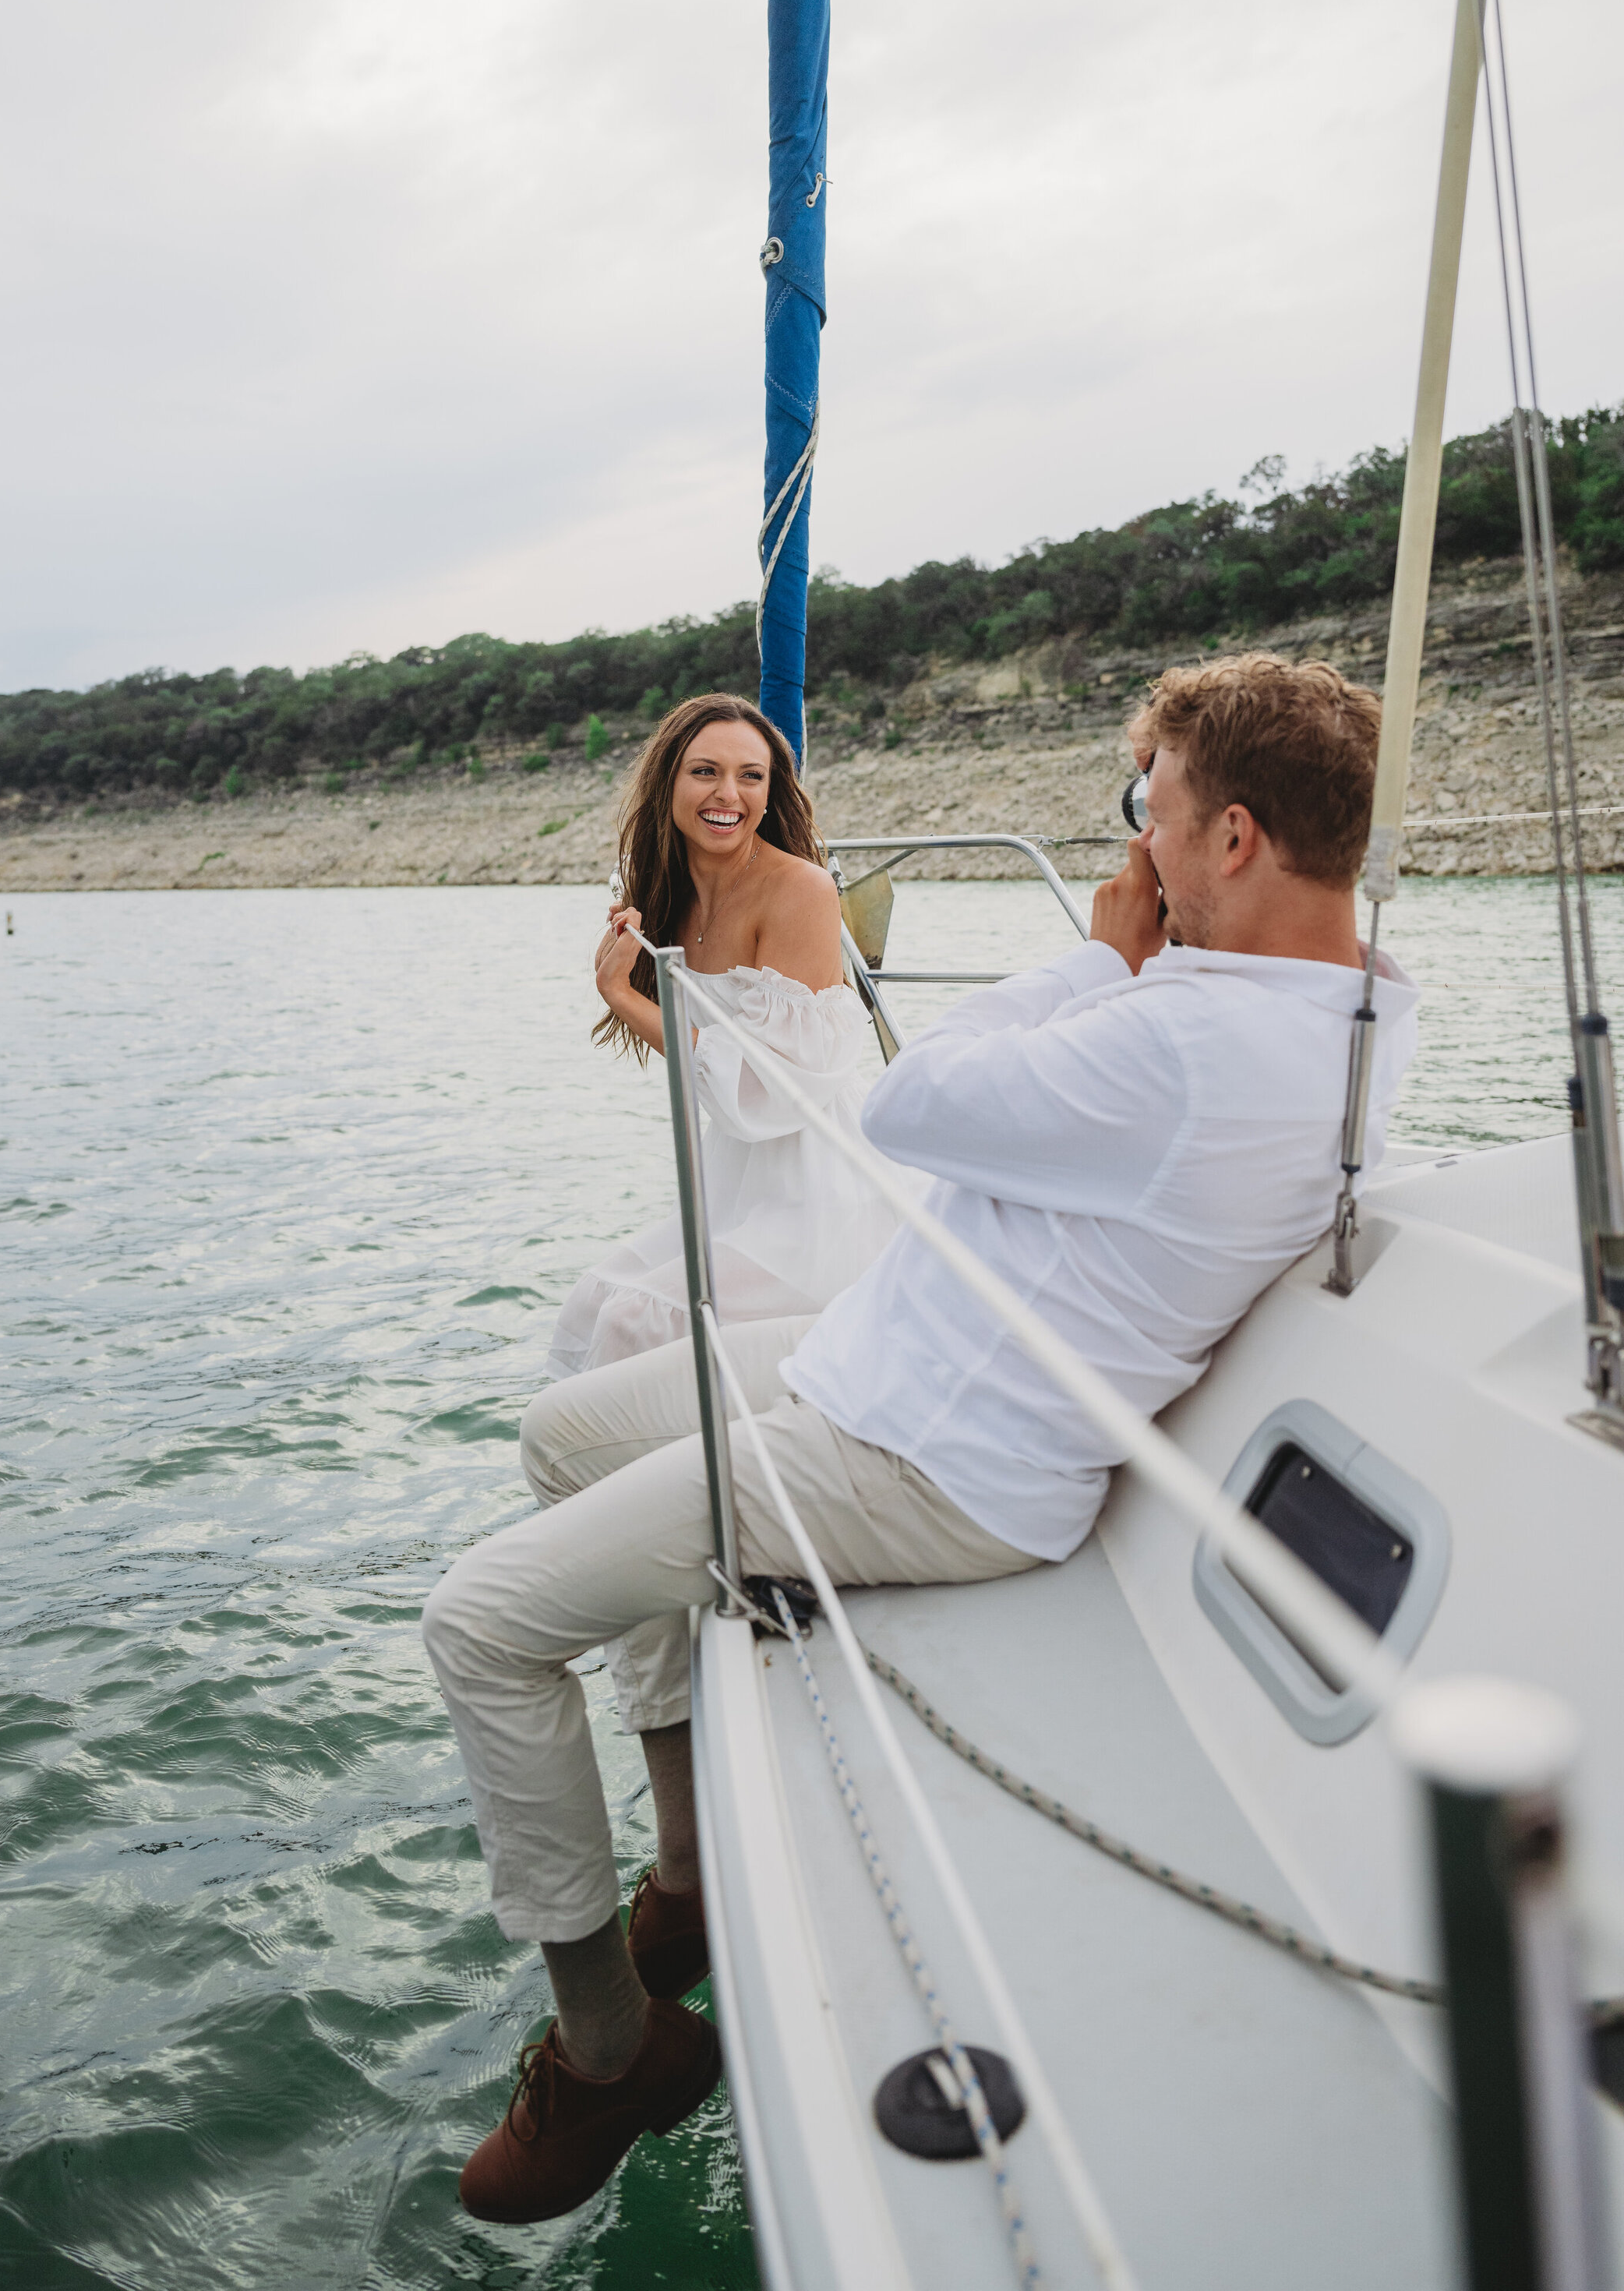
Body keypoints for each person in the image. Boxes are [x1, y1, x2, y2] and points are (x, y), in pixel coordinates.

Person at [422, 652, 1417, 2226]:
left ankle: (613, 2052)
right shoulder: (1352, 1013)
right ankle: (680, 1868)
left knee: (476, 1625)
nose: (1128, 854)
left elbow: (908, 1103)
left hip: (920, 1454)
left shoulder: (1174, 1035)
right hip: (882, 1352)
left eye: (1142, 810)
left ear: (1229, 840)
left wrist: (1100, 964)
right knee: (565, 1435)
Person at [548, 692, 902, 1381]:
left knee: (635, 1323)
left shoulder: (799, 888)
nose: (728, 794)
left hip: (817, 1178)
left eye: (751, 776)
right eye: (705, 771)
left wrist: (622, 997)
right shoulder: (657, 890)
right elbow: (710, 1059)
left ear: (772, 794)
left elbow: (773, 1090)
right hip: (739, 1170)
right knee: (591, 1305)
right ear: (669, 782)